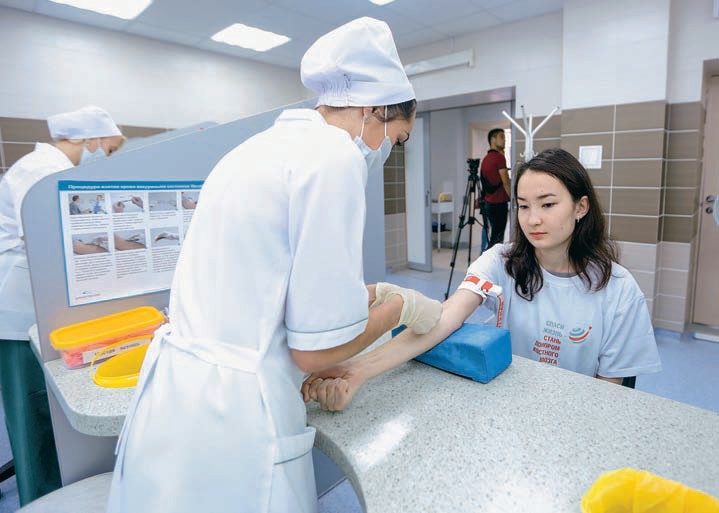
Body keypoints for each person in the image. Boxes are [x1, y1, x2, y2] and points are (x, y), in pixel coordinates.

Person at [106, 17, 442, 513]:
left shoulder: (257, 149)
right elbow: (317, 353)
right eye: (400, 137)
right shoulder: (334, 160)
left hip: (175, 399)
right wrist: (402, 307)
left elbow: (266, 284)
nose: (390, 149)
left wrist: (369, 295)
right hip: (239, 417)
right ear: (377, 109)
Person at [302, 148, 662, 412]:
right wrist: (357, 370)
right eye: (523, 205)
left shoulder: (618, 289)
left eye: (548, 204)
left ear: (580, 207)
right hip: (506, 407)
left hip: (574, 419)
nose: (533, 219)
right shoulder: (502, 262)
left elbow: (610, 396)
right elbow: (443, 319)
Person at [0, 105, 124, 505]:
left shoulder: (53, 167)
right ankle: (41, 498)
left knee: (47, 407)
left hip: (38, 299)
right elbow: (48, 235)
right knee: (32, 411)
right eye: (109, 148)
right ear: (89, 139)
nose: (107, 156)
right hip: (18, 309)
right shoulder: (39, 170)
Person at [480, 128, 511, 249]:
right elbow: (506, 182)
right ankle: (493, 259)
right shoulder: (499, 158)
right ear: (493, 139)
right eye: (502, 137)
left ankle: (484, 255)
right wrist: (513, 199)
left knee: (491, 235)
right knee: (497, 238)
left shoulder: (485, 159)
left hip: (488, 203)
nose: (504, 140)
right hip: (499, 203)